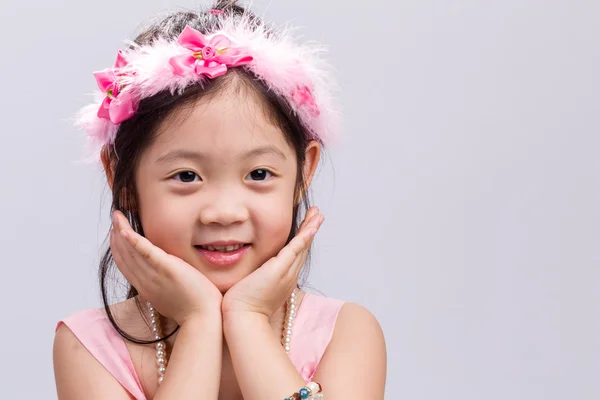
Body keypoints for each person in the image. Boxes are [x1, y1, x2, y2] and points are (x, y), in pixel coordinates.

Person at [52, 1, 387, 399]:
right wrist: (198, 322)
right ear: (122, 181)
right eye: (186, 176)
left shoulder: (346, 333)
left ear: (303, 172)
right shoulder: (89, 346)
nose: (224, 212)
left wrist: (247, 319)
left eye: (258, 174)